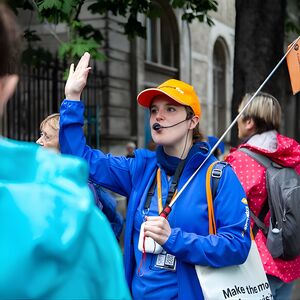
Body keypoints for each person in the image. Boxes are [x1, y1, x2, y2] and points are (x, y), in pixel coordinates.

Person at [59, 52, 252, 299]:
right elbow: (81, 160)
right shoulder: (141, 167)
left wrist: (175, 239)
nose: (158, 116)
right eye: (153, 110)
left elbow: (237, 245)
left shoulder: (219, 176)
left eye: (170, 109)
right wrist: (72, 99)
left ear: (192, 121)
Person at [0, 5, 130, 299]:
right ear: (8, 87)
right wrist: (71, 97)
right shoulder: (73, 218)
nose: (37, 142)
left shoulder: (79, 198)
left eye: (45, 136)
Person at [225, 92, 300, 300]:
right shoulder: (293, 155)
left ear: (249, 122)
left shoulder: (240, 160)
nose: (237, 119)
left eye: (239, 114)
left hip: (257, 264)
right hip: (291, 258)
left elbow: (227, 211)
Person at [36, 112, 124, 239]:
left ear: (64, 143)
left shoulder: (80, 186)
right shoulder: (47, 174)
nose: (38, 141)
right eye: (41, 134)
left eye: (47, 136)